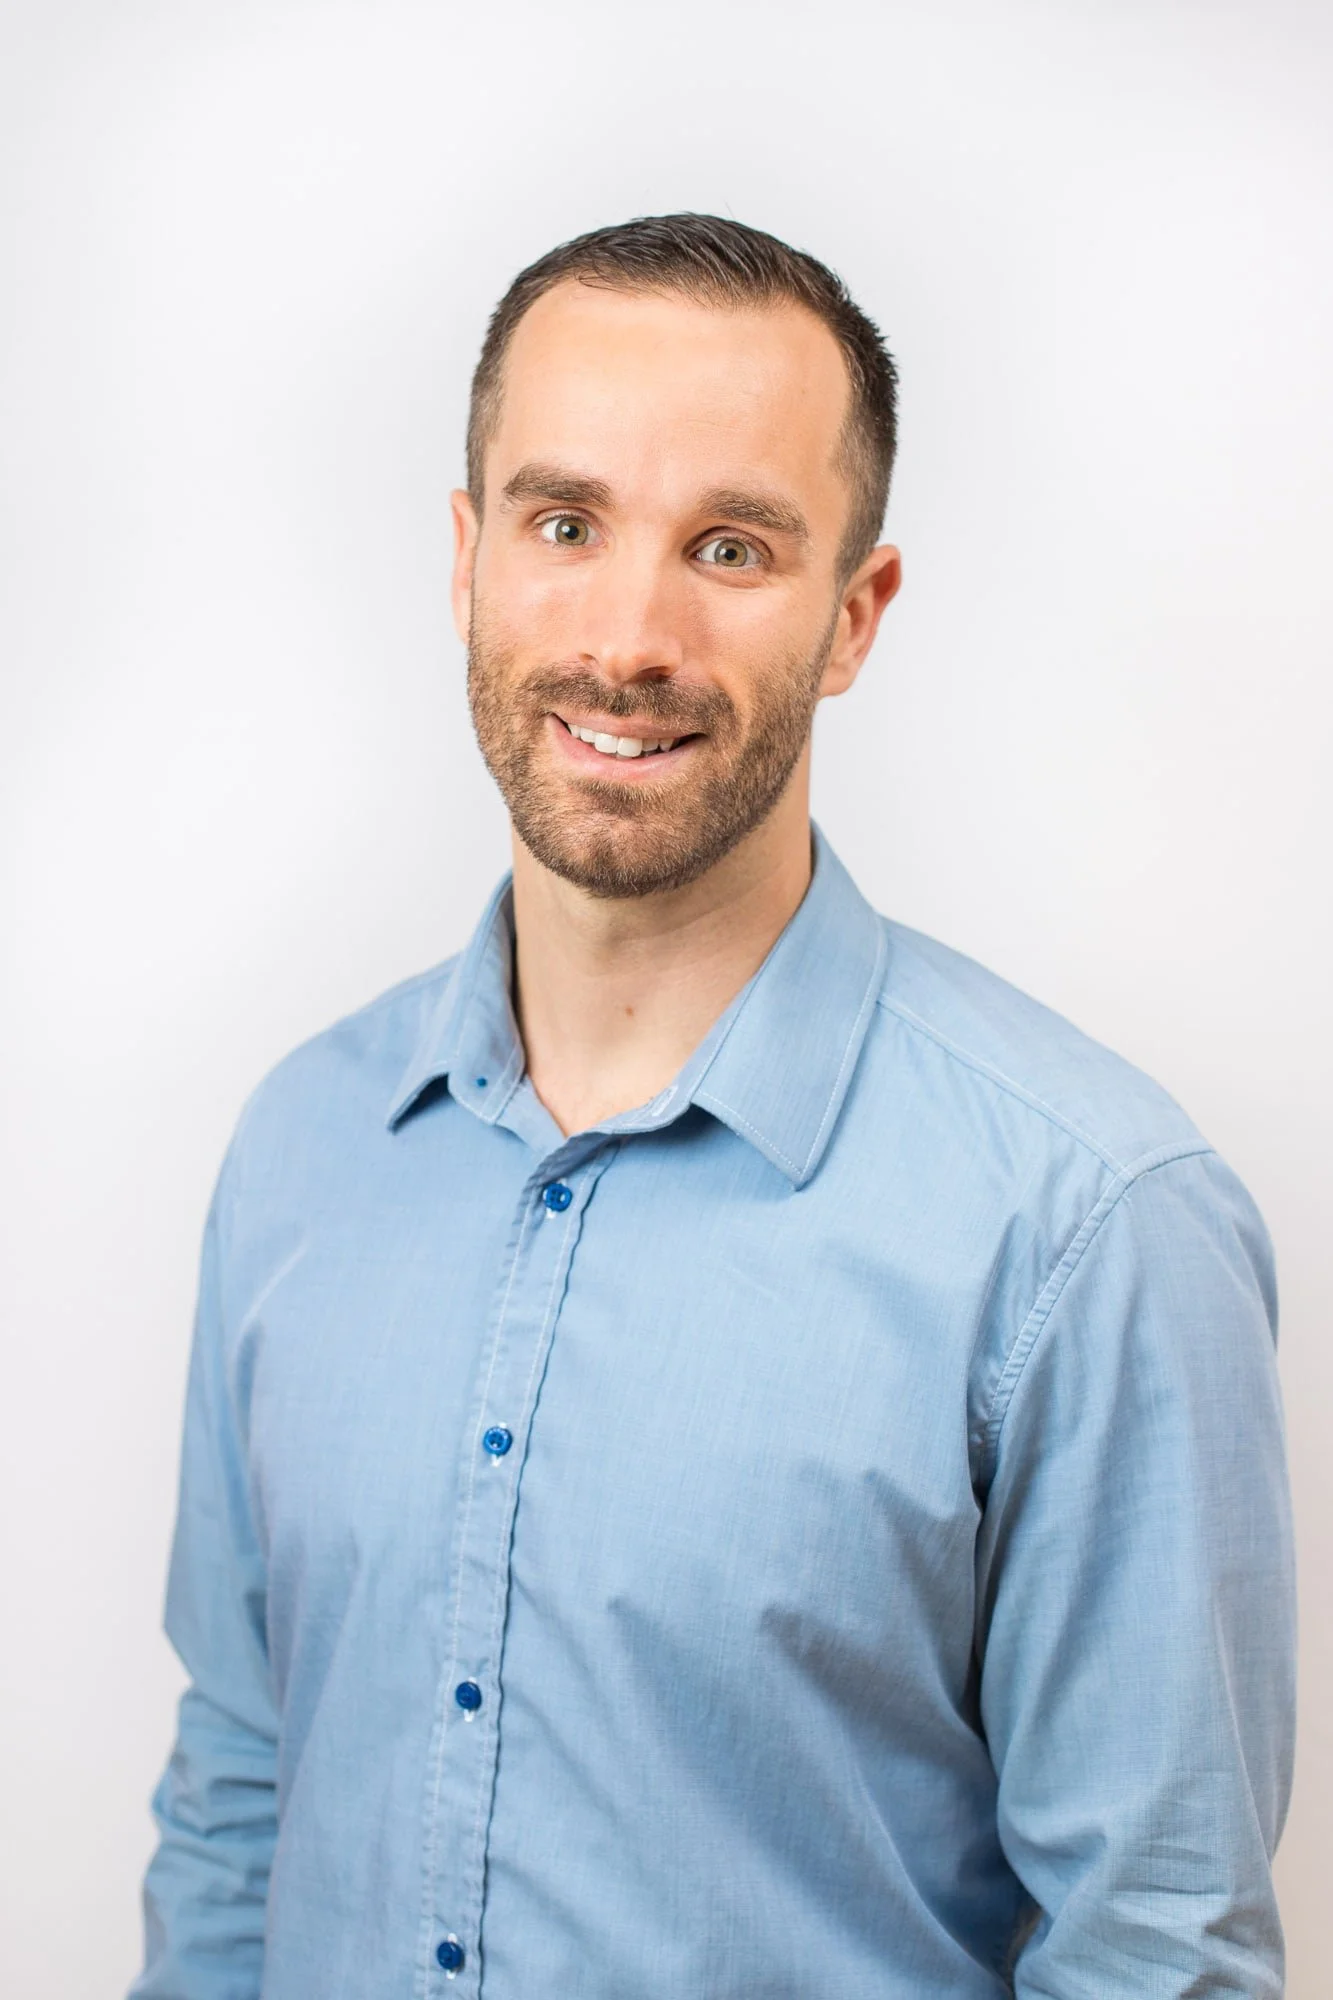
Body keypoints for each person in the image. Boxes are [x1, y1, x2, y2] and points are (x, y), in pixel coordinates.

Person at [129, 214, 1296, 1998]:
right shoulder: (301, 1148)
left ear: (854, 614)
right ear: (468, 559)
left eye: (731, 547)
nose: (630, 634)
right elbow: (237, 1809)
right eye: (566, 523)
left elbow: (1152, 1952)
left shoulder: (1091, 1223)